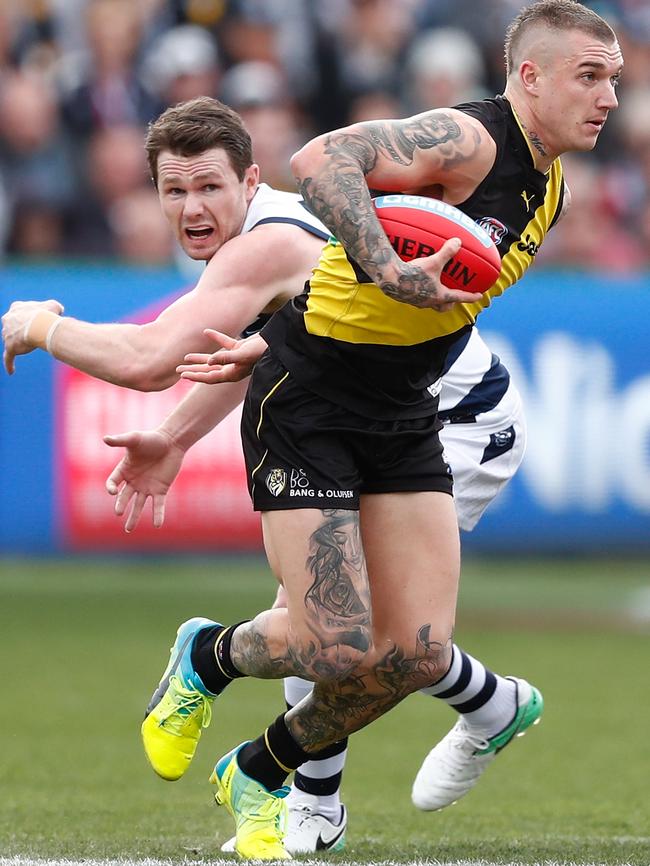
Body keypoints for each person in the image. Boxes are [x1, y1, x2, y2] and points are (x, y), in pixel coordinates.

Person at [136, 1, 619, 859]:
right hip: (313, 397)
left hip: (405, 410)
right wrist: (391, 269)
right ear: (530, 76)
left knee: (414, 654)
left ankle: (263, 766)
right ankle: (211, 661)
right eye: (590, 74)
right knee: (335, 639)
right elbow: (322, 158)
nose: (609, 95)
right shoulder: (470, 139)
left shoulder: (555, 188)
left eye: (614, 77)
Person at [2, 95, 540, 855]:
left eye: (210, 187)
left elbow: (149, 360)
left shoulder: (265, 244)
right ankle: (453, 720)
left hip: (454, 420)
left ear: (250, 182)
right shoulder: (272, 235)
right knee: (336, 623)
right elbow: (265, 347)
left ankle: (325, 780)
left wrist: (38, 325)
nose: (192, 206)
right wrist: (175, 438)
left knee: (375, 634)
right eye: (174, 190)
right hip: (357, 409)